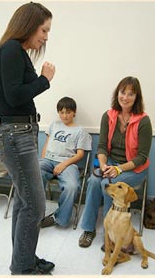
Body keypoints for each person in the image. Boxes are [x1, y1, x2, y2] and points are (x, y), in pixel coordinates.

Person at [0, 2, 56, 275]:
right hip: (16, 136)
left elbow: (13, 95)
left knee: (24, 201)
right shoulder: (11, 49)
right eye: (44, 29)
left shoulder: (15, 51)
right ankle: (22, 267)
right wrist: (44, 79)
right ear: (29, 24)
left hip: (20, 133)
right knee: (35, 204)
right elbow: (15, 95)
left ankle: (24, 258)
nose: (45, 36)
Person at [78, 76, 152, 248]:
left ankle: (110, 236)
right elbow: (102, 147)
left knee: (108, 183)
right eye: (122, 92)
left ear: (137, 97)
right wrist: (104, 165)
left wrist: (118, 170)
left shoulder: (144, 121)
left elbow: (142, 156)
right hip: (111, 163)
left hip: (134, 168)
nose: (125, 97)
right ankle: (89, 229)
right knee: (94, 181)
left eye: (131, 94)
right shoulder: (108, 115)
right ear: (117, 93)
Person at [39, 96, 92, 228]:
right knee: (34, 175)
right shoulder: (54, 124)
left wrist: (63, 164)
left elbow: (80, 154)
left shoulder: (80, 131)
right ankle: (36, 214)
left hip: (67, 164)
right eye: (61, 112)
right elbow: (47, 143)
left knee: (72, 186)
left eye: (68, 112)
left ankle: (59, 218)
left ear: (74, 112)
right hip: (48, 160)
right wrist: (44, 158)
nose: (65, 115)